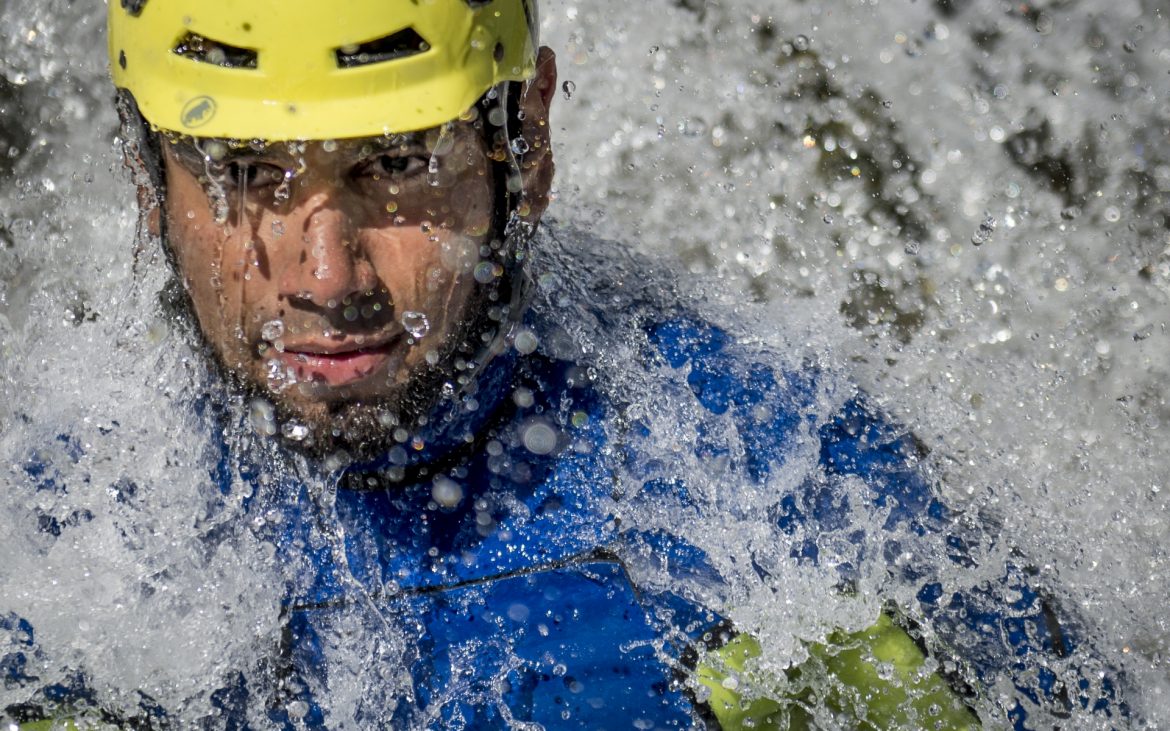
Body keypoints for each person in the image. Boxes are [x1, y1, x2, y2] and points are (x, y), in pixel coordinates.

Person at [1, 0, 1127, 728]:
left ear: (526, 142)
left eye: (396, 164)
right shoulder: (60, 538)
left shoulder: (777, 482)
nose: (325, 275)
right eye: (246, 174)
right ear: (147, 180)